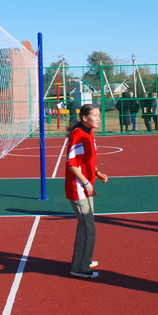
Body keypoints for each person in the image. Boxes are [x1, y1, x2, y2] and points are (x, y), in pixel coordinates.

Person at [65, 104, 109, 279]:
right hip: (78, 188)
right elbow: (72, 164)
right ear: (84, 118)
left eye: (99, 115)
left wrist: (97, 172)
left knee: (86, 226)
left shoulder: (89, 133)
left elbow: (85, 160)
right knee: (88, 227)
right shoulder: (78, 135)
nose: (99, 118)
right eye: (95, 115)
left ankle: (82, 260)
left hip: (85, 186)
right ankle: (80, 267)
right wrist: (86, 183)